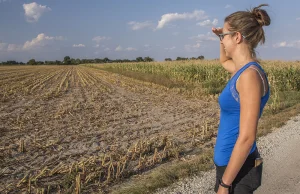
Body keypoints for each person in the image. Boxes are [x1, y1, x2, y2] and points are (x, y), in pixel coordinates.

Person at [211, 4, 271, 194]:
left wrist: (224, 185)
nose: (223, 41)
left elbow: (246, 138)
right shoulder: (243, 71)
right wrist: (221, 37)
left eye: (225, 36)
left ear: (237, 37)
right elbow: (224, 62)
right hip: (231, 168)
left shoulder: (249, 77)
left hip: (238, 173)